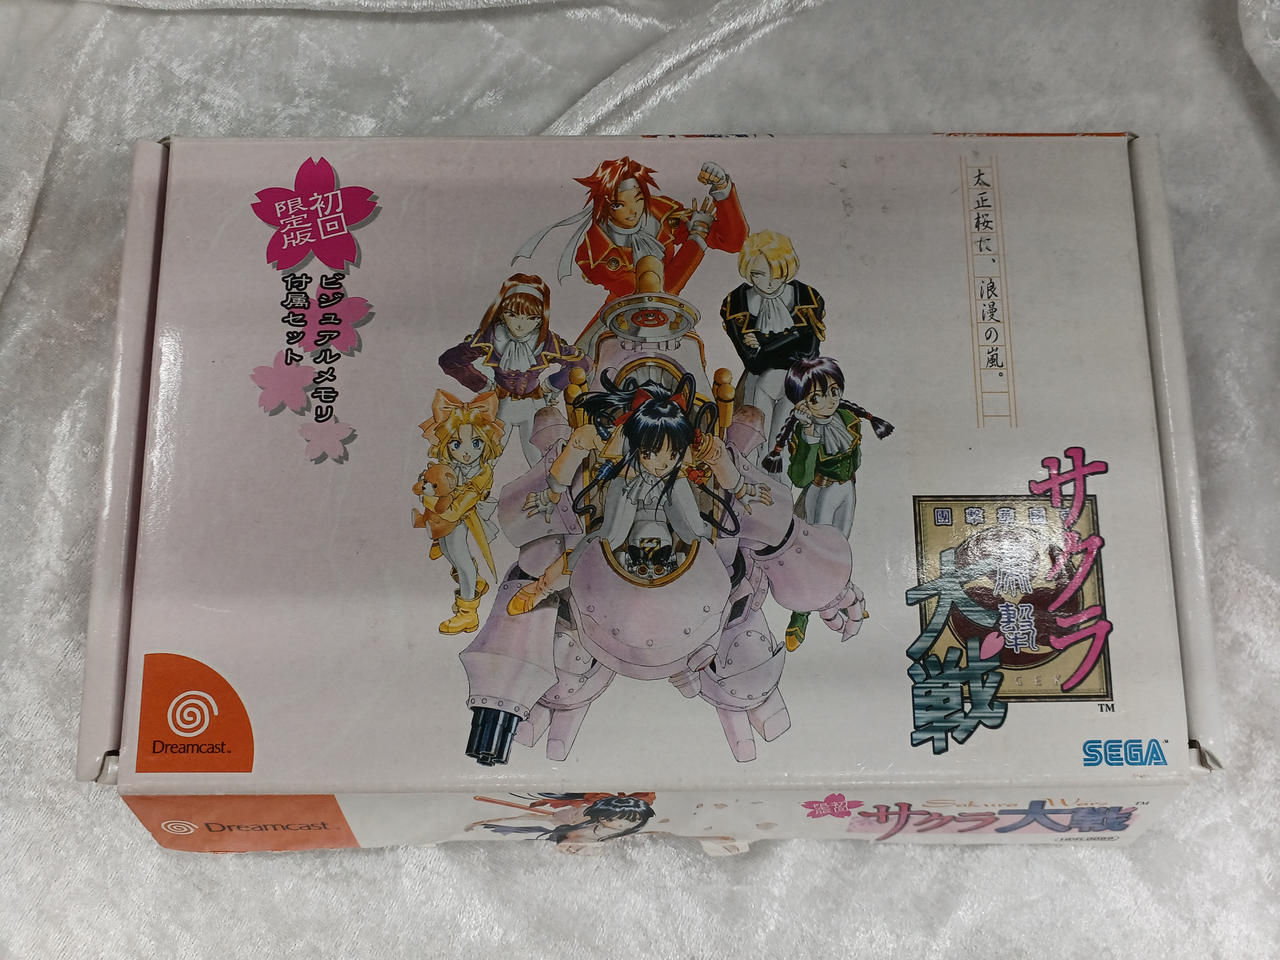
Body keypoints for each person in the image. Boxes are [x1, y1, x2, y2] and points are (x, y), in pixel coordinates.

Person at [762, 357, 893, 650]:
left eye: (834, 391)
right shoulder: (803, 430)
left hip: (847, 490)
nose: (829, 401)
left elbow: (855, 459)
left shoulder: (847, 417)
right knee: (815, 558)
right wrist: (809, 438)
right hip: (820, 492)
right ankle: (801, 615)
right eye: (817, 397)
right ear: (802, 402)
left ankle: (840, 596)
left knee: (839, 550)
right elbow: (800, 477)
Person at [511, 156, 749, 312]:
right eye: (619, 205)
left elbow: (733, 241)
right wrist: (696, 239)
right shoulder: (593, 254)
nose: (633, 211)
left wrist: (723, 190)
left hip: (670, 321)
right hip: (621, 320)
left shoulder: (660, 213)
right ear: (604, 205)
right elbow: (652, 297)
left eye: (638, 199)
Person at [438, 273, 590, 466]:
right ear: (502, 312)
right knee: (483, 462)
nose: (520, 324)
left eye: (531, 317)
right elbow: (449, 360)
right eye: (512, 314)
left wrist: (551, 386)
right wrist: (484, 386)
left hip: (534, 406)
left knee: (541, 462)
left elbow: (582, 364)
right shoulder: (491, 337)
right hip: (499, 405)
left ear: (540, 319)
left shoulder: (547, 342)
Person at [720, 230, 825, 458]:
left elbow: (809, 353)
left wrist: (764, 341)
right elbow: (754, 362)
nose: (768, 283)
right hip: (757, 382)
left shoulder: (808, 297)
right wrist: (793, 337)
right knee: (754, 445)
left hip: (798, 380)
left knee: (786, 448)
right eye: (758, 274)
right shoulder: (735, 303)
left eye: (776, 276)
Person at [413, 389, 505, 634]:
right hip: (446, 515)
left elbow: (457, 509)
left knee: (460, 557)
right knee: (447, 551)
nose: (467, 452)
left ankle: (468, 612)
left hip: (462, 516)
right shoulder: (449, 463)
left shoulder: (482, 472)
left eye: (476, 443)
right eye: (456, 443)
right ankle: (474, 582)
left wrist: (432, 498)